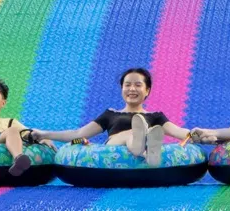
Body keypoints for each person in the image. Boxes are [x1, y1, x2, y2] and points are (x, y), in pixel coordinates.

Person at [30, 66, 191, 168]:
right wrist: (44, 134)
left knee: (146, 131)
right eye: (127, 85)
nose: (132, 89)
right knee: (133, 132)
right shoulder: (111, 114)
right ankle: (145, 151)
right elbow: (78, 134)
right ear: (122, 88)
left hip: (144, 142)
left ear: (147, 90)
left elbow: (180, 133)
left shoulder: (156, 116)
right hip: (114, 147)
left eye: (138, 85)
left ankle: (146, 147)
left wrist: (206, 136)